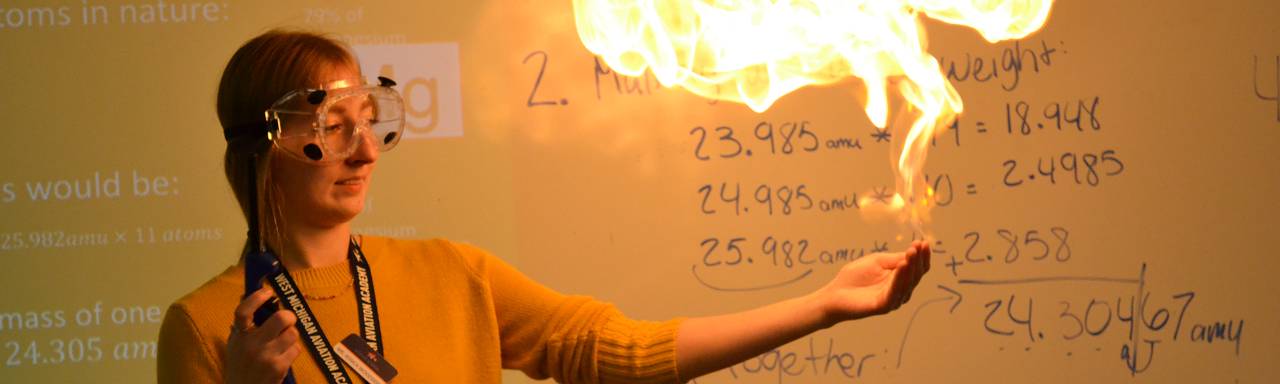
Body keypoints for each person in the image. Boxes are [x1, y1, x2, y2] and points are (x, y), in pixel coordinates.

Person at [156, 29, 931, 384]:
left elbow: (613, 351)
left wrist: (822, 307)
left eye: (370, 121)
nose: (363, 151)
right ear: (265, 143)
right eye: (331, 128)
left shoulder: (452, 274)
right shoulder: (208, 327)